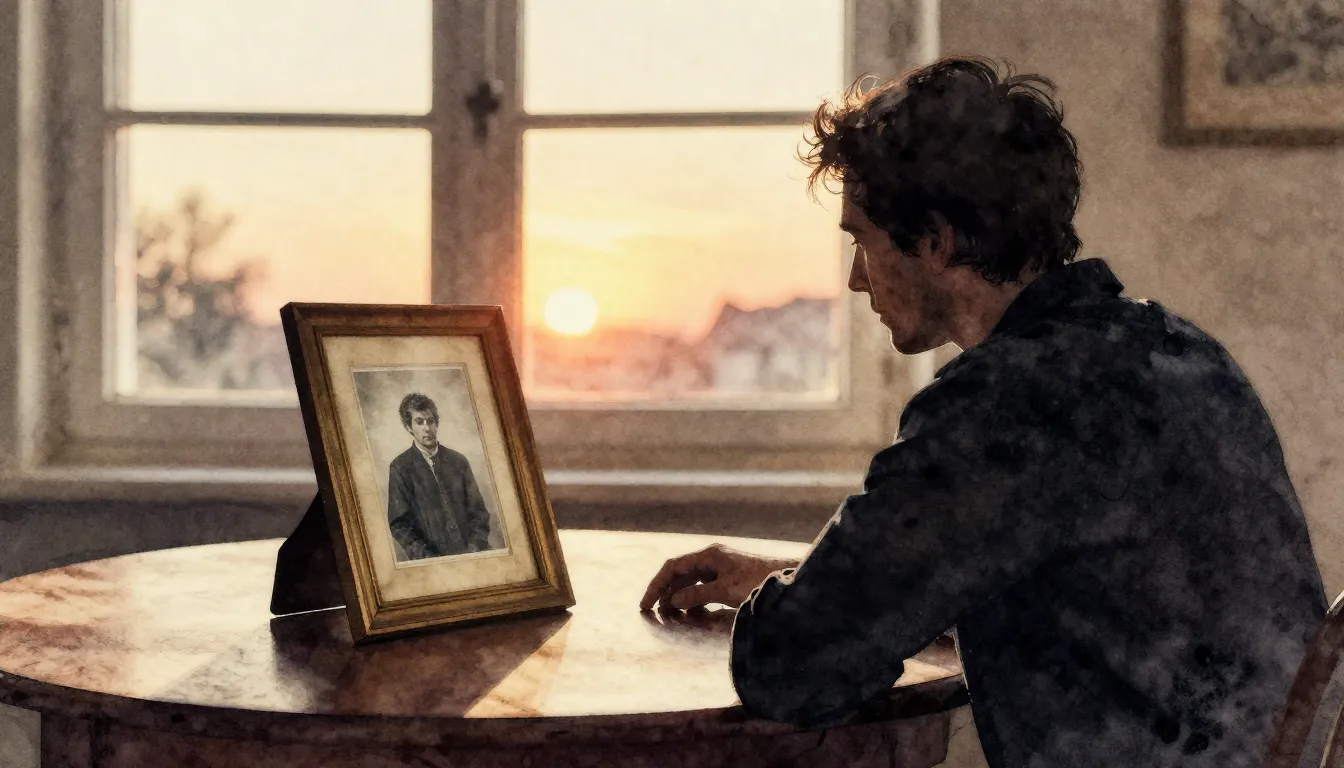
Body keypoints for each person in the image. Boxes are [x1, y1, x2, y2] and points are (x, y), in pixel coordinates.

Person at [639, 56, 1326, 767]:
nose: (854, 279)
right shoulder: (1174, 349)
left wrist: (798, 603)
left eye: (862, 241)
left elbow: (792, 669)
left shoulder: (1005, 404)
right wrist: (802, 577)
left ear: (935, 242)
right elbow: (1014, 564)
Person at [387, 392, 492, 560]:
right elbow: (399, 525)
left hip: (474, 555)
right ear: (408, 427)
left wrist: (474, 549)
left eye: (430, 421)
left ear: (436, 423)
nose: (427, 428)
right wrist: (429, 559)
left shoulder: (458, 461)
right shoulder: (400, 468)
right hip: (432, 561)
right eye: (419, 422)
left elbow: (479, 513)